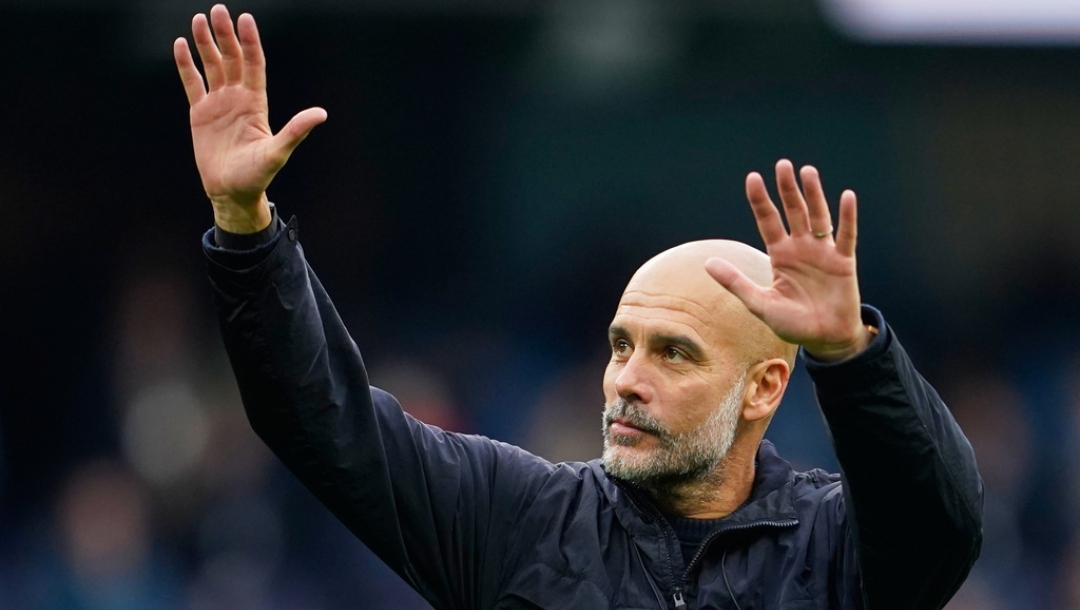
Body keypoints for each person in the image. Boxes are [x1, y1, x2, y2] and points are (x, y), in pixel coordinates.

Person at [174, 5, 983, 609]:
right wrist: (246, 226)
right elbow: (321, 420)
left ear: (765, 387)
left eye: (674, 352)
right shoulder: (519, 520)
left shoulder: (833, 546)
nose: (626, 379)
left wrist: (852, 357)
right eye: (621, 345)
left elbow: (942, 520)